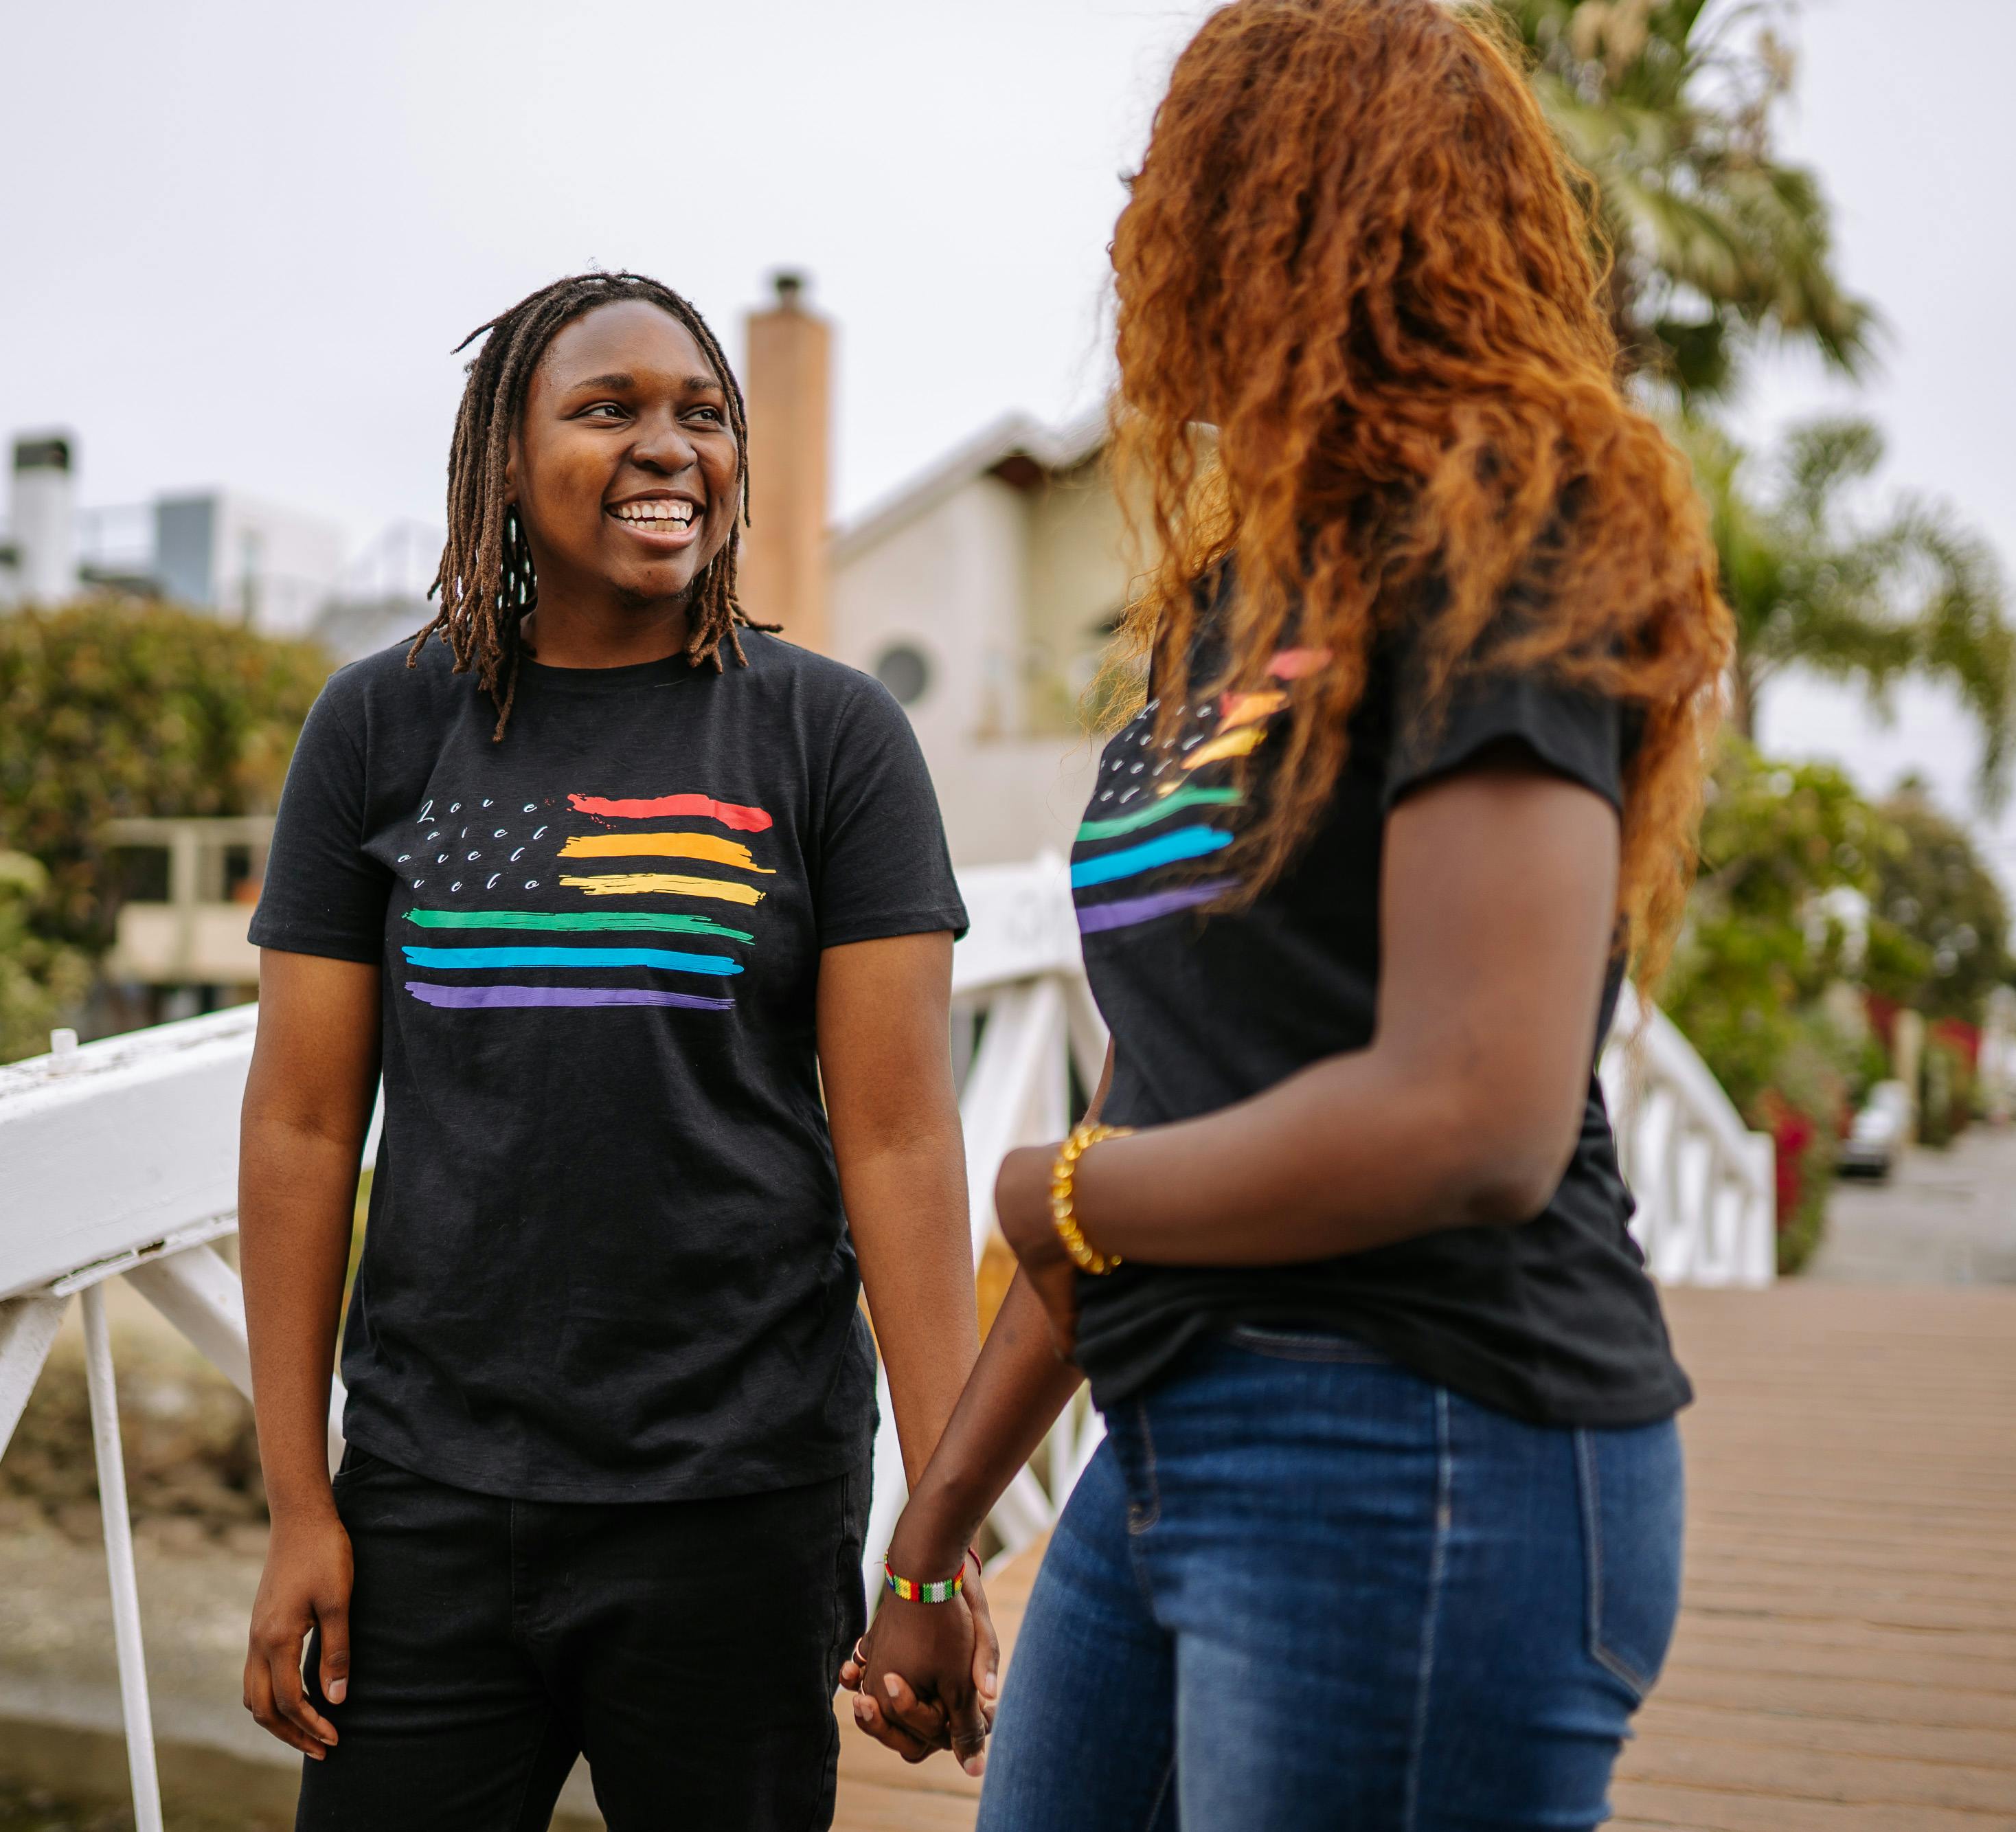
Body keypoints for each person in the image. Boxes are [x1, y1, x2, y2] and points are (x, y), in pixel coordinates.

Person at [847, 3, 1736, 1825]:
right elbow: (1176, 1095)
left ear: (1298, 211)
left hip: (1425, 1434)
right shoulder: (1227, 604)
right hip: (1173, 1433)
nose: (1126, 235)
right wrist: (934, 1540)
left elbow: (1472, 1111)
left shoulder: (1518, 519)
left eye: (1166, 185)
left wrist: (1054, 1193)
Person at [236, 271, 993, 1831]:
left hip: (738, 1499)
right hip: (429, 1502)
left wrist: (934, 1540)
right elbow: (305, 1125)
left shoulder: (828, 735)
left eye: (701, 413)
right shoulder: (380, 727)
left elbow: (904, 1139)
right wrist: (300, 1500)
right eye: (607, 409)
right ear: (503, 460)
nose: (670, 447)